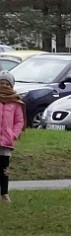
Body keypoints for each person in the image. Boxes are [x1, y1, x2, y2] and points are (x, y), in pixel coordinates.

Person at [0, 70, 25, 203]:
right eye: (1, 83)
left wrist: (13, 134)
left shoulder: (15, 103)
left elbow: (19, 121)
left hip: (6, 142)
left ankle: (4, 193)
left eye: (7, 84)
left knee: (4, 169)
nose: (4, 86)